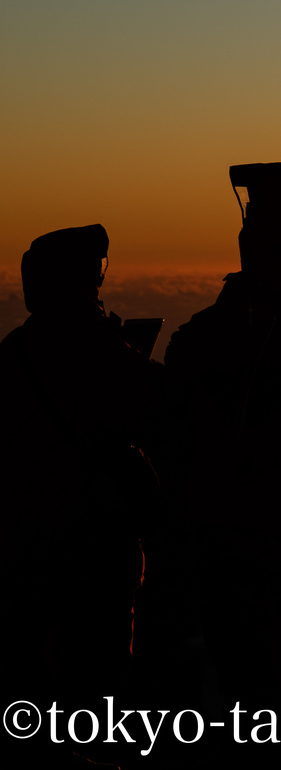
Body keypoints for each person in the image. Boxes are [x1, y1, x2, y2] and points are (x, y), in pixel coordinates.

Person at [165, 162, 281, 710]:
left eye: (258, 213)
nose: (246, 226)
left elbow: (190, 361)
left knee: (261, 680)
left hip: (257, 521)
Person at [0, 225, 167, 762]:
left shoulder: (14, 352)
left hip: (22, 541)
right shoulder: (105, 350)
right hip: (95, 544)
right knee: (96, 687)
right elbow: (158, 413)